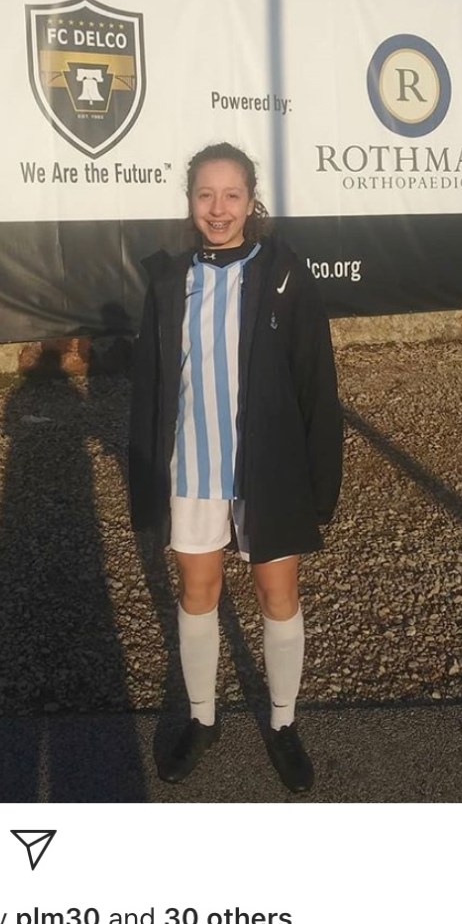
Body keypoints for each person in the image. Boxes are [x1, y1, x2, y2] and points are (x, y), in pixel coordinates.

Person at [128, 142, 343, 792]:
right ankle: (202, 717)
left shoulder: (284, 275)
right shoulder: (169, 280)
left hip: (267, 470)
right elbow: (151, 387)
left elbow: (316, 384)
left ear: (251, 201)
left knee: (278, 596)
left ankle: (282, 722)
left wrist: (321, 486)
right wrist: (144, 479)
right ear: (190, 201)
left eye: (231, 195)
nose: (217, 209)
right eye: (205, 195)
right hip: (193, 467)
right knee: (198, 595)